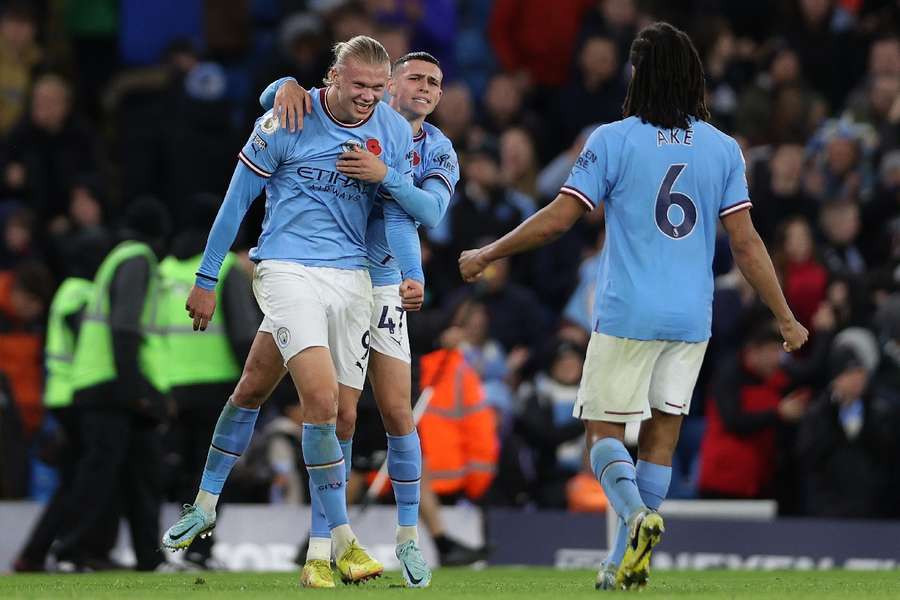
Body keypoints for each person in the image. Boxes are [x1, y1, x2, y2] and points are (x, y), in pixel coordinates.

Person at [458, 22, 809, 591]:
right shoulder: (722, 149)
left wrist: (489, 252)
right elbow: (746, 242)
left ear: (639, 77)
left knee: (602, 437)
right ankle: (622, 564)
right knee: (661, 441)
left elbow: (559, 219)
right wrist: (786, 316)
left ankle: (636, 518)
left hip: (628, 311)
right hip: (691, 318)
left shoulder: (613, 138)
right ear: (693, 77)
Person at [160, 36, 424, 588]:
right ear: (332, 77)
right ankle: (344, 541)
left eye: (378, 89)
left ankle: (207, 502)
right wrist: (206, 279)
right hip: (285, 269)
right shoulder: (288, 117)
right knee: (322, 401)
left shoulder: (393, 133)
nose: (369, 99)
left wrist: (408, 269)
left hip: (353, 281)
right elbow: (237, 202)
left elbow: (400, 215)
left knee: (258, 388)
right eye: (359, 86)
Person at [259, 49, 460, 588]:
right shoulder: (357, 120)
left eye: (435, 83)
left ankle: (409, 540)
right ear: (390, 84)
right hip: (325, 273)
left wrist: (387, 177)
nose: (424, 88)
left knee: (398, 411)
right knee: (336, 413)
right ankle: (323, 548)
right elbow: (286, 109)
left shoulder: (438, 149)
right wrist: (281, 83)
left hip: (385, 284)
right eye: (415, 77)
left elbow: (430, 213)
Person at [52, 197, 172, 572]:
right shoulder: (138, 259)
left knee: (137, 474)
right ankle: (71, 551)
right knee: (105, 477)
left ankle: (146, 558)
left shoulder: (118, 258)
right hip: (113, 387)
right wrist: (136, 391)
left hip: (105, 384)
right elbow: (123, 329)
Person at [158, 194, 259, 569]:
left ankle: (172, 547)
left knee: (178, 467)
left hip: (170, 385)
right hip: (218, 385)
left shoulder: (164, 269)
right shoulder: (226, 268)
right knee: (214, 471)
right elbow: (242, 332)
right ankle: (199, 550)